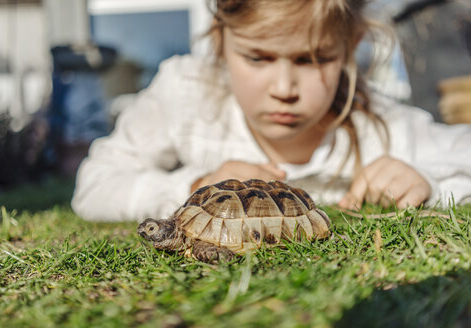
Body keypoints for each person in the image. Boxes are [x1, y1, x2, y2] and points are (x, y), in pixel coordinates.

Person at [71, 0, 471, 222]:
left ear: (351, 47)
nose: (283, 89)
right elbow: (93, 188)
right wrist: (195, 188)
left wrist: (430, 184)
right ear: (220, 41)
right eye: (258, 58)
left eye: (311, 59)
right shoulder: (187, 91)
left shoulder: (377, 125)